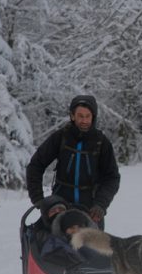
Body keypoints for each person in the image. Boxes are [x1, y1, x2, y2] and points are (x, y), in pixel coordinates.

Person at [26, 95, 120, 230]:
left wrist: (100, 204)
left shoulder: (101, 142)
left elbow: (112, 178)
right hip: (60, 207)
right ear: (72, 116)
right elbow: (35, 165)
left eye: (88, 116)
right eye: (80, 116)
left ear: (93, 117)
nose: (84, 120)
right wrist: (38, 199)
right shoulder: (61, 137)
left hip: (91, 210)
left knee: (92, 250)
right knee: (54, 248)